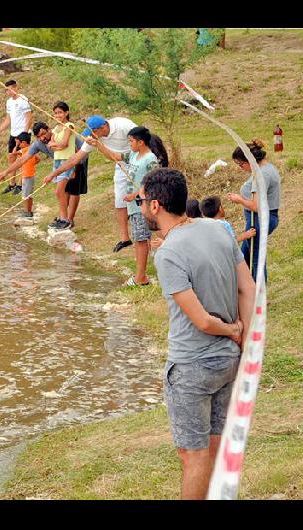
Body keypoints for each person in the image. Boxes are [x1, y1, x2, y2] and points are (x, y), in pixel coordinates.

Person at [138, 167, 255, 500]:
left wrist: (232, 329)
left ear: (157, 205)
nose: (141, 206)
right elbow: (248, 288)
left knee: (192, 455)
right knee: (215, 445)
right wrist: (243, 342)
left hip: (191, 367)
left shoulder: (168, 253)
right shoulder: (219, 229)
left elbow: (202, 321)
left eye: (144, 201)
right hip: (228, 363)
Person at [44, 114, 139, 253]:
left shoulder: (122, 124)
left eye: (93, 132)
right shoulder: (94, 138)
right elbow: (75, 159)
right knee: (119, 201)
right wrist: (54, 173)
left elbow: (143, 138)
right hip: (121, 167)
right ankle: (125, 239)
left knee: (141, 198)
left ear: (103, 127)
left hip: (137, 162)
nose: (92, 136)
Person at [94, 126, 165, 286]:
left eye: (131, 141)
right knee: (140, 239)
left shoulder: (150, 159)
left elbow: (153, 181)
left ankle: (140, 278)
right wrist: (97, 145)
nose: (130, 144)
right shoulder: (132, 154)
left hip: (143, 206)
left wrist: (136, 194)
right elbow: (114, 156)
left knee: (141, 240)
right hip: (133, 206)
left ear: (140, 142)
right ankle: (141, 275)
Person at [0, 122, 89, 228]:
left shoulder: (60, 134)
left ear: (49, 130)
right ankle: (64, 217)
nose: (42, 138)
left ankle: (70, 220)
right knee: (63, 190)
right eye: (39, 136)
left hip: (79, 158)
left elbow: (76, 152)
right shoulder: (38, 144)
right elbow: (22, 159)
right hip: (63, 163)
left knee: (73, 190)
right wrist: (6, 172)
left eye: (43, 134)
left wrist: (74, 169)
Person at [226, 139, 282, 282]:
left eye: (240, 164)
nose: (240, 168)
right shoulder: (267, 168)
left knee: (255, 258)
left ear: (248, 160)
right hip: (259, 218)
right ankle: (245, 291)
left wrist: (240, 200)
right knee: (245, 256)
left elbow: (257, 206)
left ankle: (258, 296)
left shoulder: (262, 175)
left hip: (259, 219)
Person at [39, 101, 76, 230]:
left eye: (60, 112)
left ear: (66, 113)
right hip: (57, 161)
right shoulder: (55, 128)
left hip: (67, 161)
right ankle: (61, 217)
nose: (58, 115)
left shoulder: (69, 126)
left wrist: (56, 145)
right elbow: (51, 145)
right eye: (55, 113)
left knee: (59, 191)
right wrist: (57, 145)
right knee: (61, 193)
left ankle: (65, 220)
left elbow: (64, 144)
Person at [0, 80, 33, 195]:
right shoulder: (9, 102)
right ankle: (12, 183)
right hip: (13, 133)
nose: (9, 92)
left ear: (16, 88)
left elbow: (29, 118)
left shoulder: (23, 100)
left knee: (22, 159)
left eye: (10, 89)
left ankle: (20, 185)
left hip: (23, 134)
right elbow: (8, 120)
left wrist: (24, 134)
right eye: (6, 90)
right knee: (11, 157)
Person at [0, 132, 37, 219]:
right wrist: (31, 164)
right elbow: (38, 159)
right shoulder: (31, 149)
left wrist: (15, 145)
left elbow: (13, 153)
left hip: (26, 176)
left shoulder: (24, 150)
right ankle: (29, 211)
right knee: (29, 195)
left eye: (19, 143)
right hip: (31, 175)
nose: (18, 145)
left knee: (25, 196)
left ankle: (27, 212)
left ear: (23, 143)